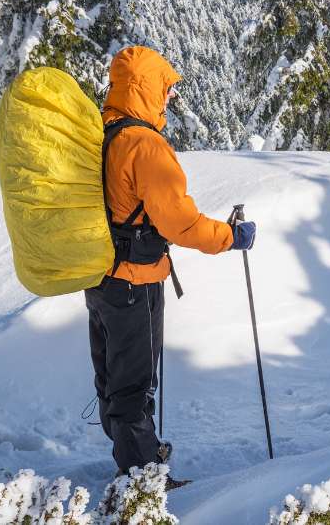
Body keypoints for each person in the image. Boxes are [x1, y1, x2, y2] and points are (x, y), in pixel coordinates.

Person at [86, 46, 257, 483]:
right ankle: (142, 480)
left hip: (99, 277)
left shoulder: (101, 134)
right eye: (165, 89)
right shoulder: (144, 145)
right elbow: (180, 223)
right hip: (134, 283)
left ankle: (136, 449)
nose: (169, 99)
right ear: (146, 88)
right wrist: (229, 237)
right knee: (135, 382)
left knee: (113, 375)